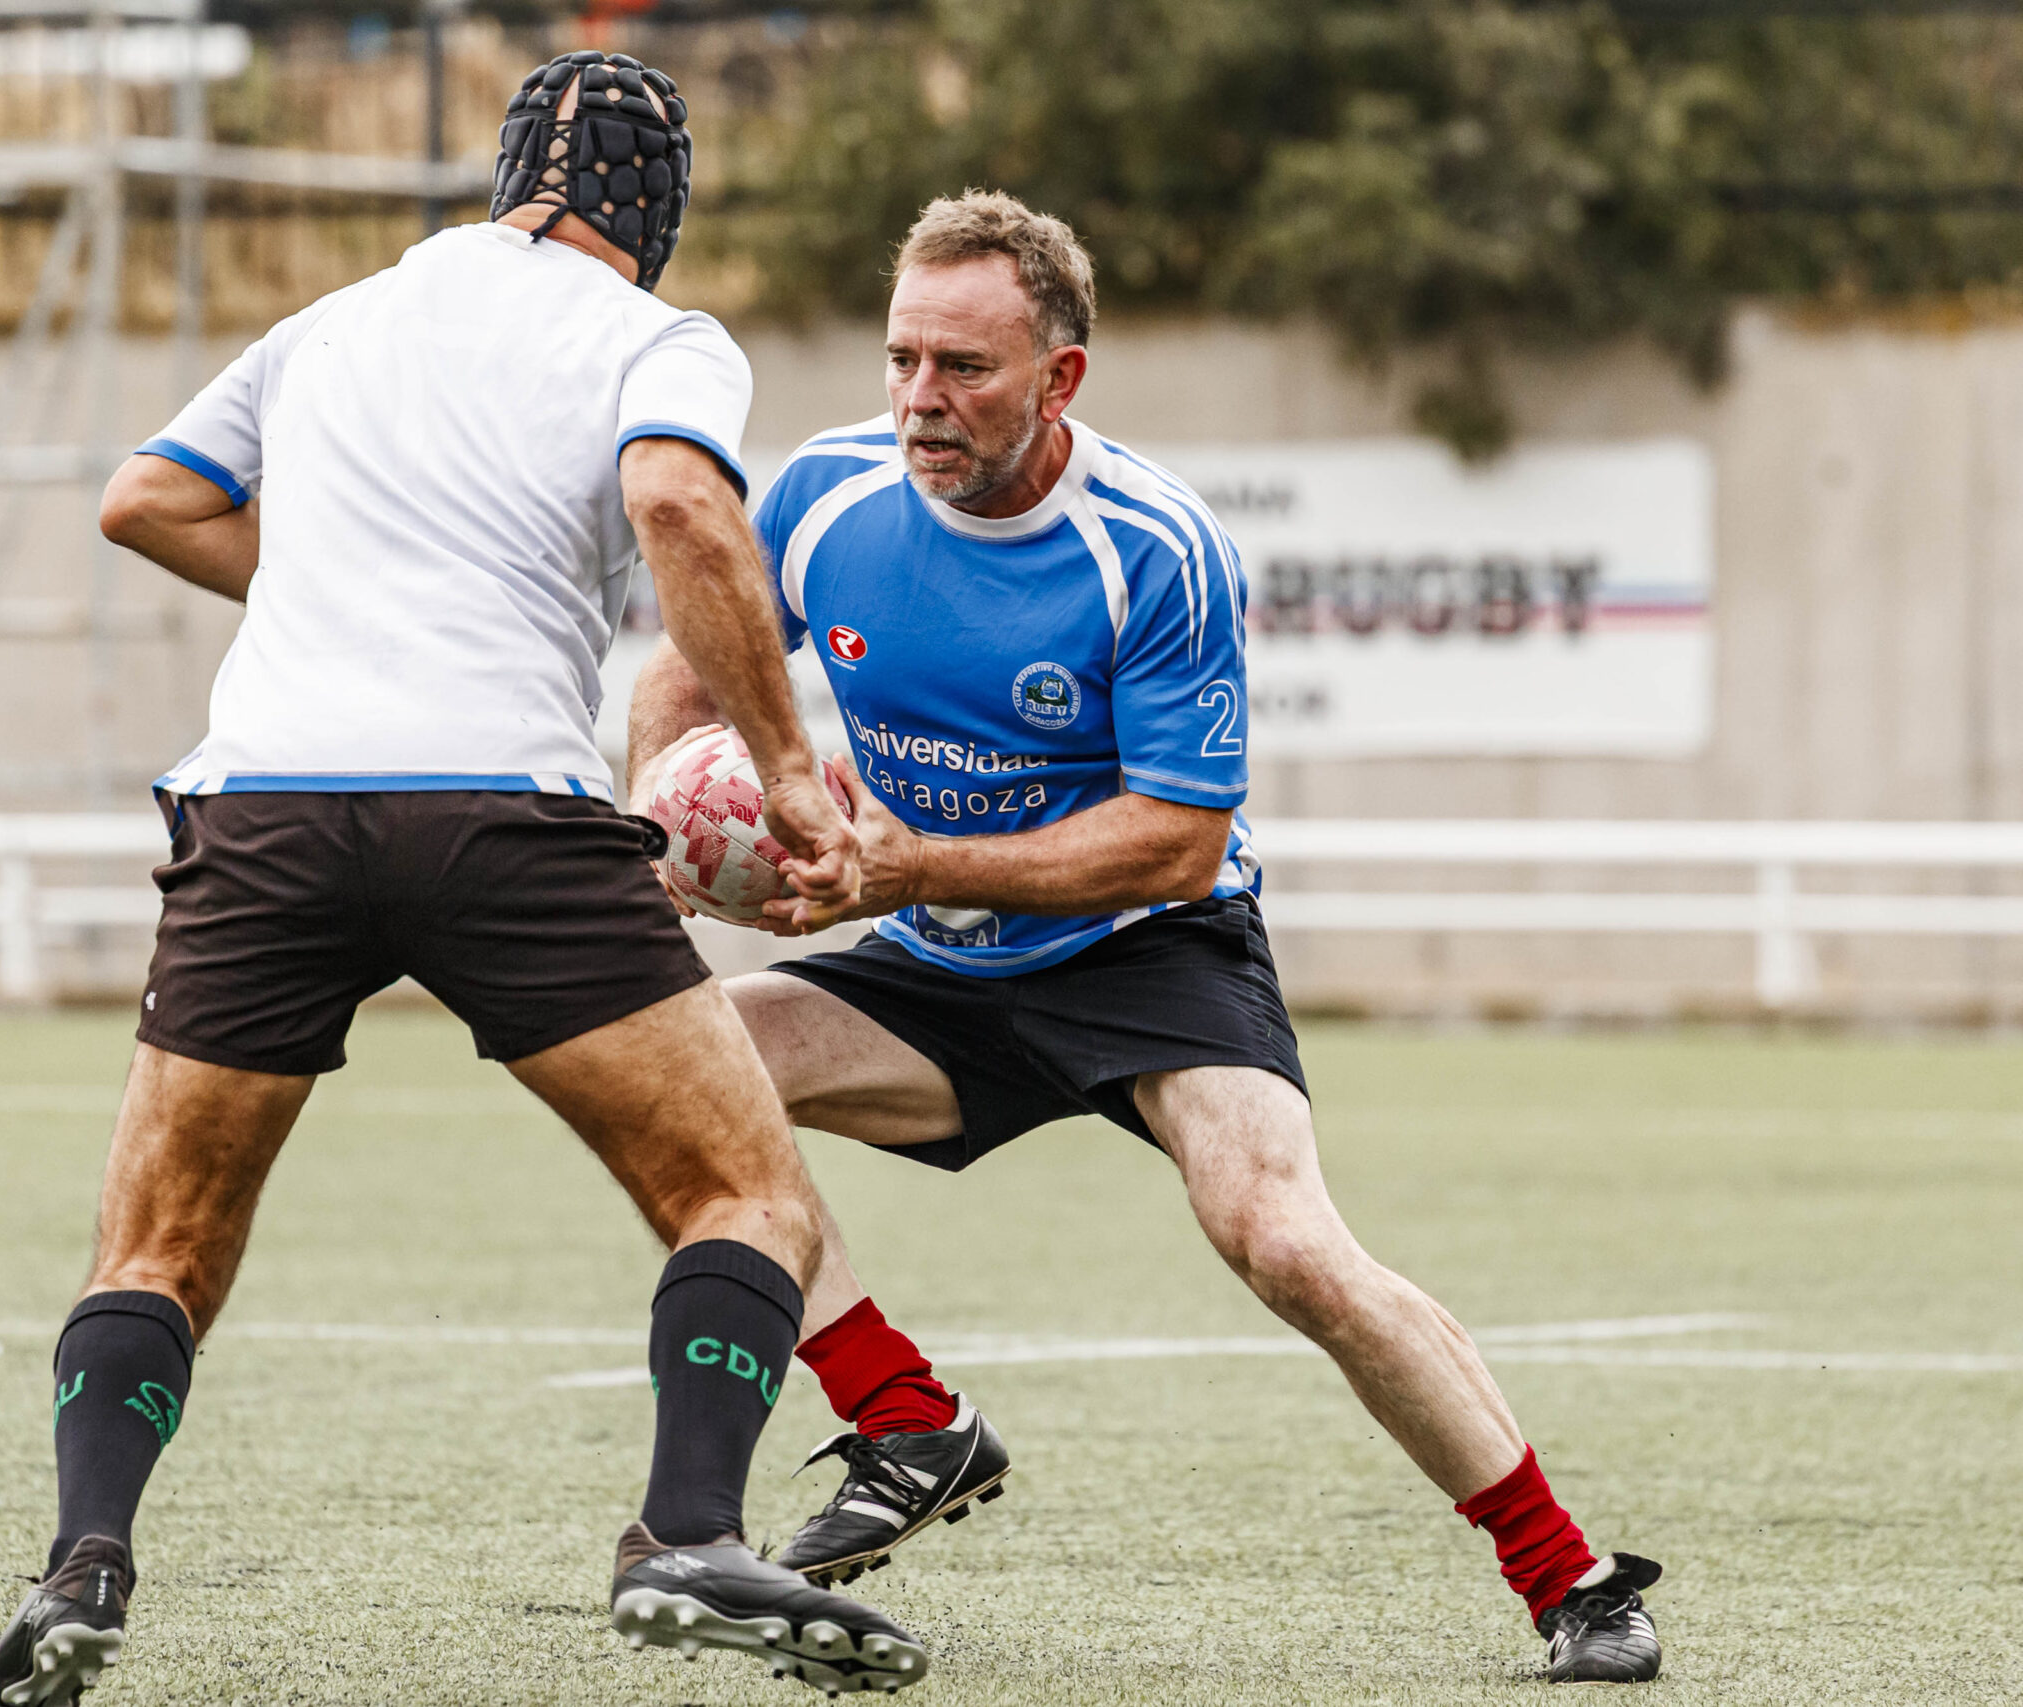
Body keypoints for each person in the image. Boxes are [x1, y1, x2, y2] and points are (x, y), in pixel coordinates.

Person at [0, 52, 931, 1705]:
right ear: (661, 211)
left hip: (265, 815)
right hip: (502, 818)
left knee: (158, 1250)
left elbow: (146, 502)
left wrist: (344, 585)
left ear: (504, 175)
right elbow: (681, 503)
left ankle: (81, 1571)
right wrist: (781, 764)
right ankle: (689, 1533)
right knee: (741, 1193)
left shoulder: (332, 321)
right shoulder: (656, 341)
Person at [626, 190, 1665, 1686]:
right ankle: (905, 1419)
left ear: (1062, 378)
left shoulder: (1156, 546)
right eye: (903, 357)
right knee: (671, 1077)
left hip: (1153, 953)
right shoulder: (825, 496)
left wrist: (908, 856)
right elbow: (698, 665)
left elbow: (1176, 838)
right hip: (935, 956)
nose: (922, 399)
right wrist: (665, 821)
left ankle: (1571, 1580)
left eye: (965, 369)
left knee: (1286, 1243)